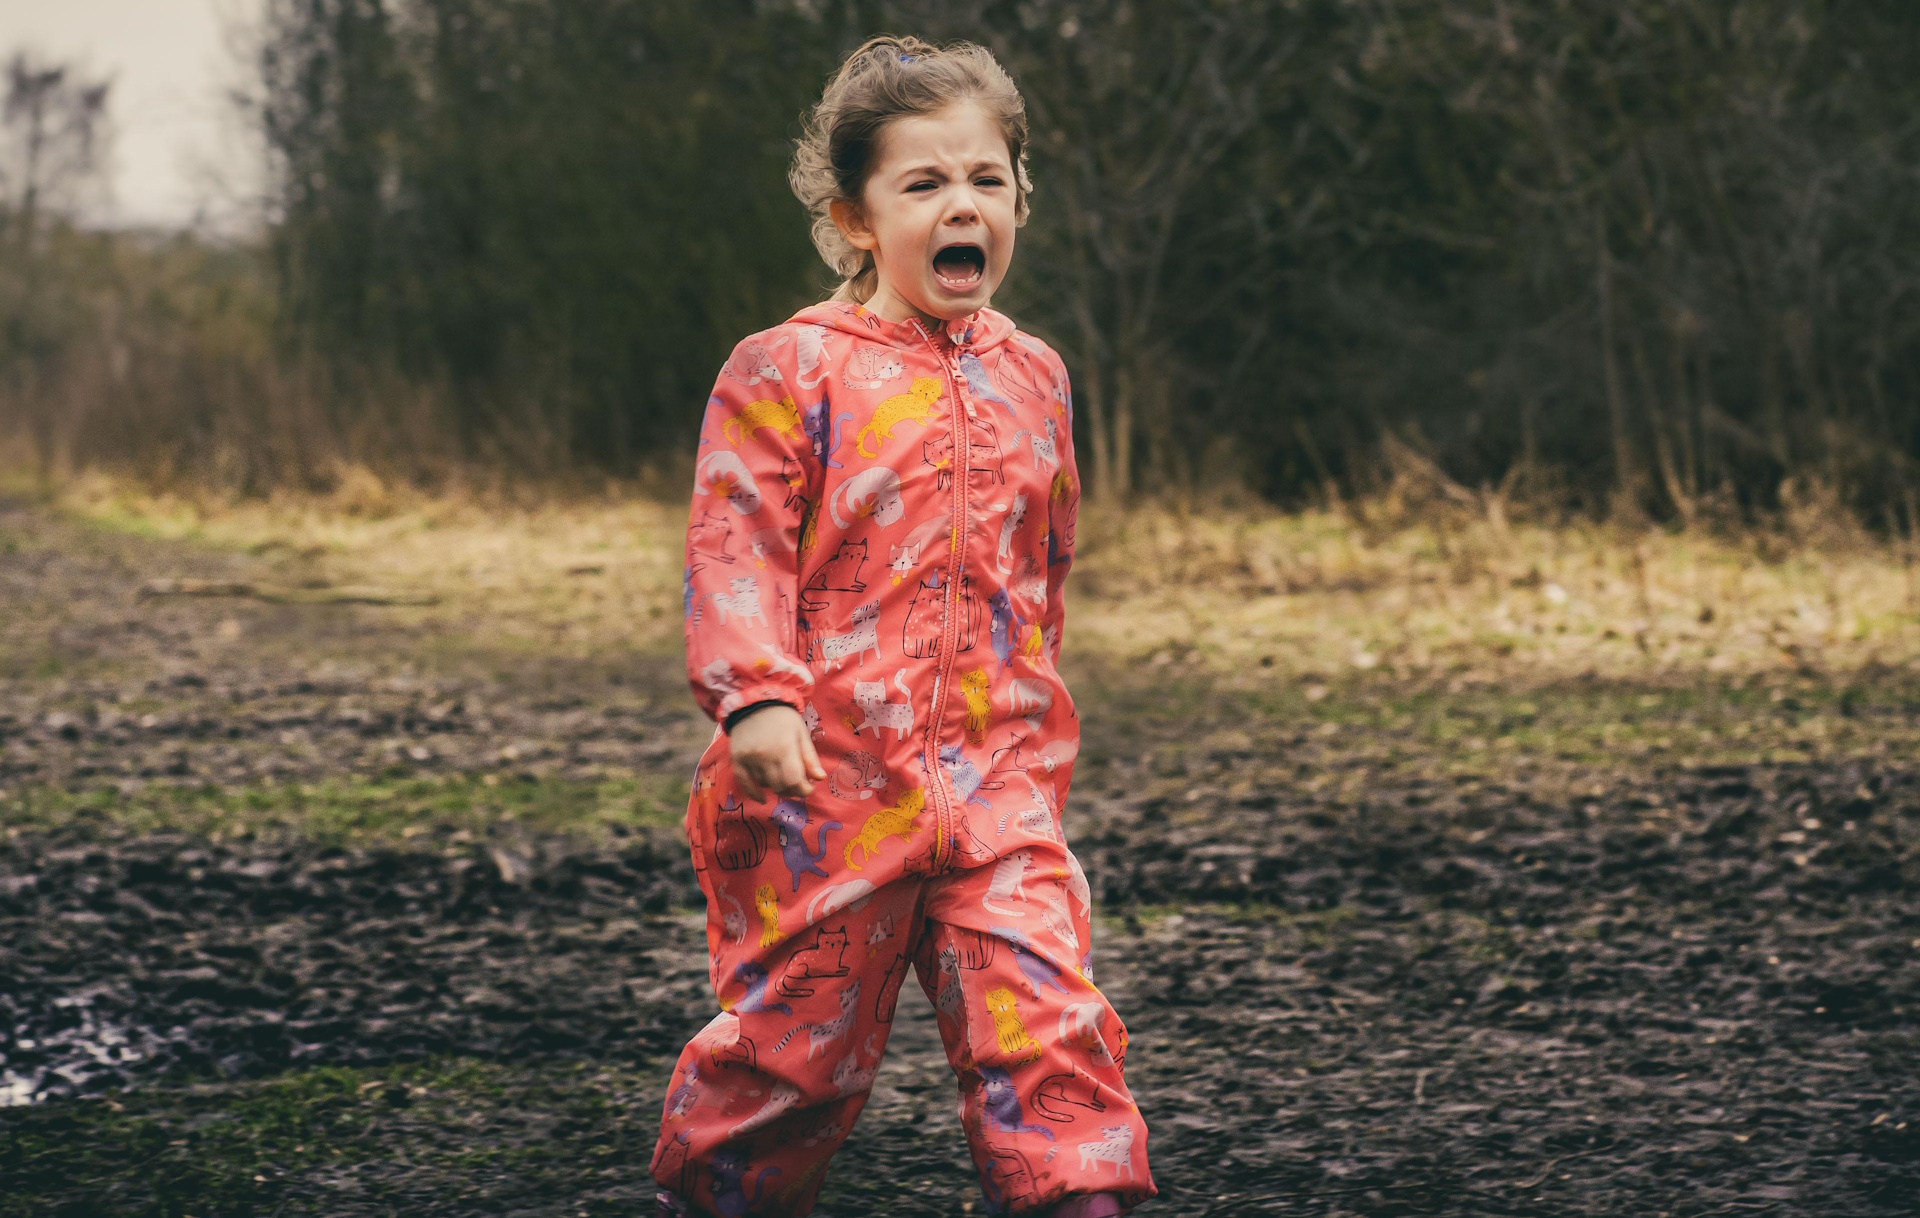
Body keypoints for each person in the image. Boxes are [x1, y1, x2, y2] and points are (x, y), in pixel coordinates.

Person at [652, 35, 1155, 1218]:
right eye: (922, 184)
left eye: (986, 179)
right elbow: (735, 547)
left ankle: (1073, 1201)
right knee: (794, 1066)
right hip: (823, 795)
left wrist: (1029, 730)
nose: (960, 205)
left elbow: (1046, 573)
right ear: (855, 217)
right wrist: (758, 696)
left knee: (1051, 1036)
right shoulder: (790, 370)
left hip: (995, 792)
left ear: (1021, 198)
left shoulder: (1037, 375)